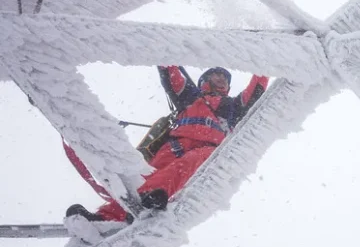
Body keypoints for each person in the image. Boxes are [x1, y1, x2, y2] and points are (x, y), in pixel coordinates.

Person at [66, 66, 269, 222]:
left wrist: (265, 61)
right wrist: (166, 49)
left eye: (225, 77)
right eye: (216, 75)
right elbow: (170, 70)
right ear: (204, 81)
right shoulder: (189, 96)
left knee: (185, 166)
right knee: (144, 177)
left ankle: (150, 200)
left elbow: (256, 88)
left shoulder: (232, 107)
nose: (221, 78)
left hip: (206, 150)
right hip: (173, 146)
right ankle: (106, 217)